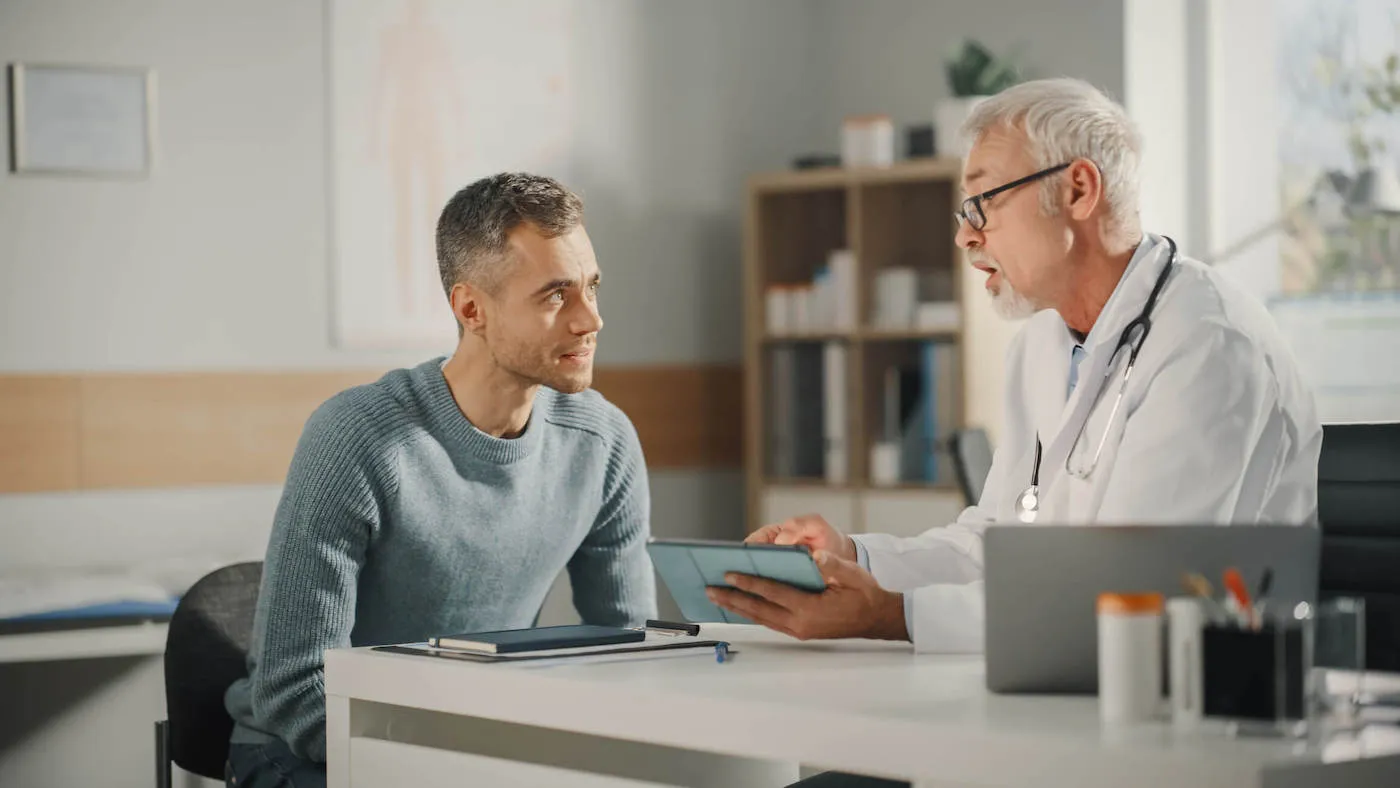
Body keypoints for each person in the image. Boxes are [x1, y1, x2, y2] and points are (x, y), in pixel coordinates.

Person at [709, 78, 1321, 788]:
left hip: (1181, 741)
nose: (966, 234)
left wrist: (893, 616)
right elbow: (994, 541)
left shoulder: (1210, 346)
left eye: (984, 203)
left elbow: (1131, 602)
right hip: (1053, 719)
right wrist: (857, 559)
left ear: (1079, 191)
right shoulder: (1044, 345)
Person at [223, 173, 657, 788]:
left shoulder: (603, 442)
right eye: (556, 295)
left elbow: (630, 652)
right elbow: (294, 693)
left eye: (592, 287)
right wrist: (463, 762)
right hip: (302, 754)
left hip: (472, 749)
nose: (592, 319)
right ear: (471, 309)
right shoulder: (356, 438)